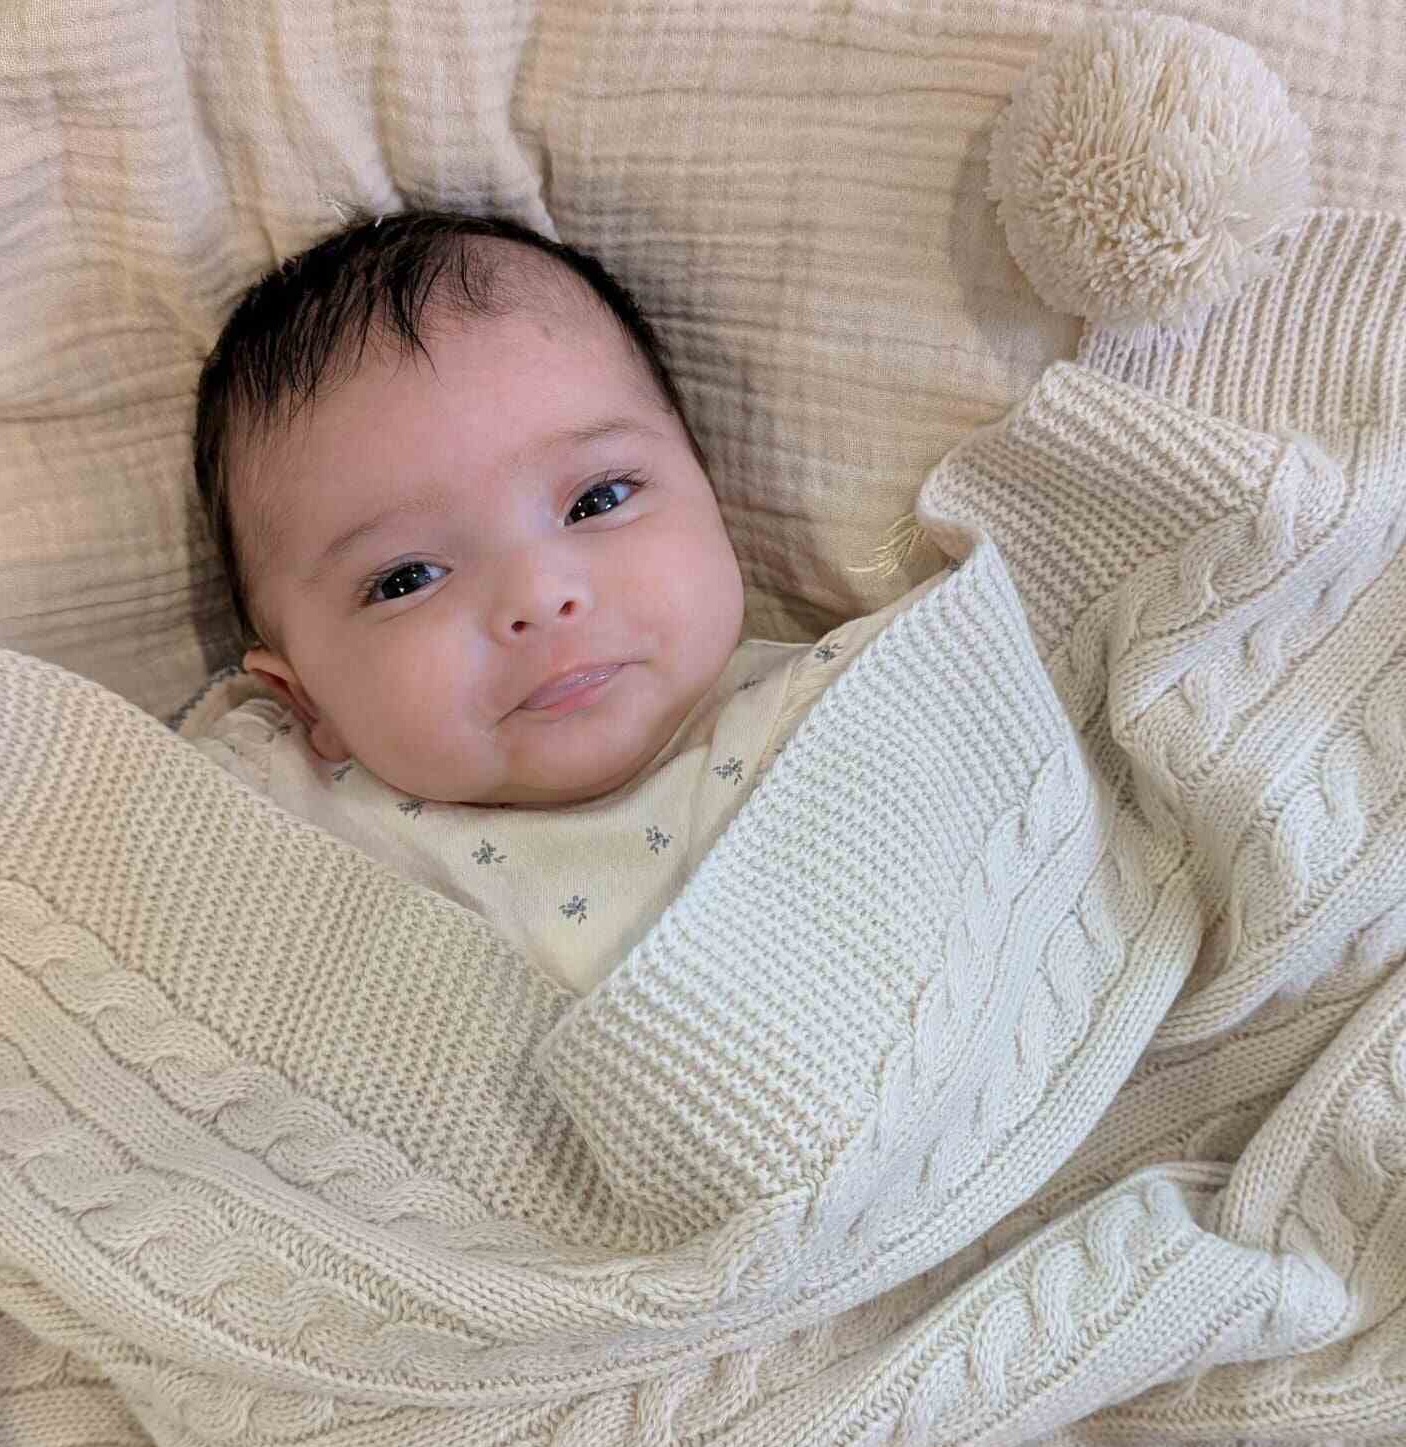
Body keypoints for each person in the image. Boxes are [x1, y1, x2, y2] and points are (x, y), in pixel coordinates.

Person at [187, 207, 945, 991]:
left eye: (597, 500)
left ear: (709, 486)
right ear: (305, 698)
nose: (540, 596)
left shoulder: (866, 700)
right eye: (408, 578)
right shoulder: (257, 818)